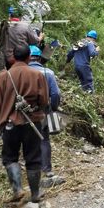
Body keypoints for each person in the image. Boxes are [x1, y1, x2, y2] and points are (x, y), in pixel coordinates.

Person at [0, 44, 49, 203]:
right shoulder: (37, 75)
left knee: (9, 157)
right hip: (32, 123)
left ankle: (17, 189)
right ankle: (35, 194)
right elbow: (44, 100)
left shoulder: (2, 77)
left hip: (10, 124)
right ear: (29, 57)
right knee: (33, 157)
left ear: (13, 58)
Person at [29, 45, 61, 177]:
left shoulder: (19, 72)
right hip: (43, 109)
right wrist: (53, 108)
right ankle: (47, 169)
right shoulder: (48, 72)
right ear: (39, 58)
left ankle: (31, 170)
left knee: (26, 139)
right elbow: (56, 94)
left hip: (22, 111)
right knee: (44, 139)